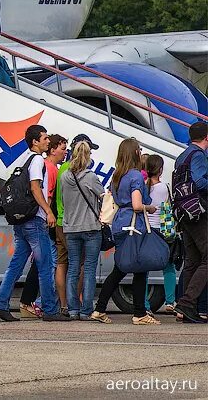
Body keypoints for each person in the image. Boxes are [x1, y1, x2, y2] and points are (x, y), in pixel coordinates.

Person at [0, 125, 69, 322]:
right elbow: (35, 188)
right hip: (35, 220)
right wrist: (48, 211)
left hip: (21, 220)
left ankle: (1, 305)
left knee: (16, 265)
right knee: (45, 265)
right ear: (35, 141)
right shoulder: (36, 161)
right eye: (44, 138)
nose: (47, 141)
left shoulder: (22, 159)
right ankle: (51, 310)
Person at [91, 138, 160, 325]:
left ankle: (100, 308)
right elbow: (137, 204)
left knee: (121, 267)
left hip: (120, 222)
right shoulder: (136, 176)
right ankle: (139, 313)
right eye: (139, 149)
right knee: (140, 268)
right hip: (134, 224)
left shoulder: (117, 175)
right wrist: (150, 208)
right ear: (135, 153)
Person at [60, 140, 103, 320]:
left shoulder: (64, 176)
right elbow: (103, 197)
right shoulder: (91, 177)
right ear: (88, 157)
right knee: (90, 269)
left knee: (73, 269)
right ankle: (86, 310)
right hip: (91, 226)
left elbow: (63, 200)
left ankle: (72, 309)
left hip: (70, 227)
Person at [174, 121, 207, 325]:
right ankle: (187, 302)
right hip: (198, 211)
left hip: (184, 212)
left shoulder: (183, 155)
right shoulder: (199, 155)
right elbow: (199, 181)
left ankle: (186, 308)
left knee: (192, 261)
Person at [143, 155, 177, 315]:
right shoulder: (163, 188)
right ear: (161, 169)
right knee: (168, 266)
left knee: (144, 269)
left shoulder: (143, 186)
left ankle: (145, 305)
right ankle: (170, 301)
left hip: (146, 230)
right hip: (162, 231)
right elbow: (167, 208)